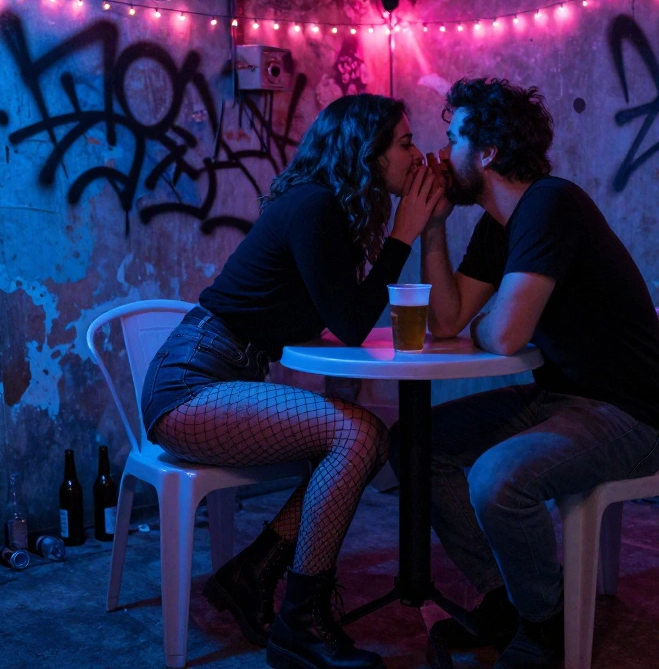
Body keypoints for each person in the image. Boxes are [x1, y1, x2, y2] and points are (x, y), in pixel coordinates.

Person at [139, 94, 444, 669]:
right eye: (404, 143)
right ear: (368, 152)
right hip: (189, 385)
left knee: (365, 438)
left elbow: (339, 312)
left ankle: (253, 573)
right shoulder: (315, 206)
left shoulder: (329, 208)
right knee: (357, 435)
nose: (415, 153)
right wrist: (403, 235)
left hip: (223, 373)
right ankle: (301, 621)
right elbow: (353, 324)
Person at [408, 78, 659, 669]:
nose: (441, 150)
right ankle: (507, 600)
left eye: (452, 136)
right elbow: (449, 318)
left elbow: (502, 333)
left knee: (496, 479)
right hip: (561, 399)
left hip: (630, 417)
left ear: (487, 152)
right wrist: (431, 226)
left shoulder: (551, 204)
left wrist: (489, 322)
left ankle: (544, 623)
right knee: (415, 443)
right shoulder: (494, 226)